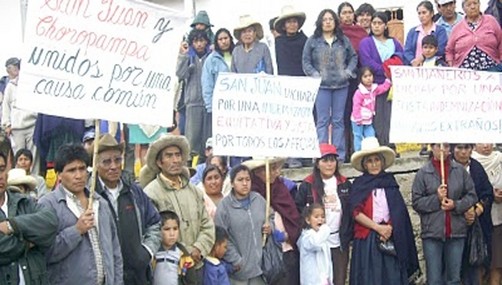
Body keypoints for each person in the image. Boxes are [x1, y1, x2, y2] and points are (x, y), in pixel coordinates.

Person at [38, 144, 123, 285]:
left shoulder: (100, 203)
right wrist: (76, 230)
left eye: (82, 169)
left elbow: (115, 251)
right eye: (71, 170)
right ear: (59, 175)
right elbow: (45, 253)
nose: (78, 175)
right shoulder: (48, 205)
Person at [141, 134, 215, 285]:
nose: (175, 160)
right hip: (167, 270)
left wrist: (198, 249)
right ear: (159, 162)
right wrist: (179, 254)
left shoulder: (194, 191)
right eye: (169, 156)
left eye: (178, 155)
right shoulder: (150, 193)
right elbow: (150, 233)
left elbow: (207, 225)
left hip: (196, 266)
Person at [350, 137, 419, 285]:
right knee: (370, 278)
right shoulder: (359, 185)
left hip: (390, 236)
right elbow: (356, 212)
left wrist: (388, 228)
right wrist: (378, 228)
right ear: (364, 164)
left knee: (391, 277)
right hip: (368, 238)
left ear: (382, 162)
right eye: (370, 161)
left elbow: (398, 212)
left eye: (377, 160)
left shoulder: (390, 182)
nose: (374, 164)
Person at [94, 134, 162, 285]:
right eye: (106, 161)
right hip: (106, 277)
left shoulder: (134, 191)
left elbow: (155, 223)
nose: (113, 166)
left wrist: (146, 252)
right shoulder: (90, 195)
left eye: (117, 160)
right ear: (96, 164)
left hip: (137, 276)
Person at [412, 143, 478, 285]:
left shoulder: (459, 171)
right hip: (432, 234)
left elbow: (472, 196)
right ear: (432, 147)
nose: (443, 150)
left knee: (453, 279)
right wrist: (436, 198)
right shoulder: (423, 173)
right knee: (434, 279)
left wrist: (456, 205)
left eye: (447, 146)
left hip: (456, 232)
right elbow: (417, 203)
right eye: (439, 146)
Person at [302, 9, 358, 161]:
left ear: (335, 22)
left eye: (330, 19)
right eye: (325, 19)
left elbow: (353, 57)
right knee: (322, 120)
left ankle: (339, 155)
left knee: (338, 120)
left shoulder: (343, 40)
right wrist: (315, 75)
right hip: (321, 87)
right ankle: (322, 153)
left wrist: (347, 72)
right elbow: (306, 61)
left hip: (341, 85)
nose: (327, 22)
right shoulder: (313, 40)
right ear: (320, 22)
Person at [296, 143, 352, 285]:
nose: (329, 164)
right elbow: (299, 210)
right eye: (325, 160)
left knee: (339, 279)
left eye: (332, 160)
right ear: (317, 163)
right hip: (316, 242)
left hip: (338, 241)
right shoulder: (307, 185)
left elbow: (350, 211)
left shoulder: (344, 184)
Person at [0, 151, 58, 284]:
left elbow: (50, 222)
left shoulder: (24, 202)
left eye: (1, 169)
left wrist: (12, 225)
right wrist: (28, 242)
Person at [244, 157, 302, 285]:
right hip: (262, 256)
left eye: (277, 168)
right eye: (272, 169)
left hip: (286, 252)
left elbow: (293, 218)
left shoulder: (281, 189)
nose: (277, 173)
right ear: (259, 172)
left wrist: (286, 235)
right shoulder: (251, 193)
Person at [214, 164, 270, 285]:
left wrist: (270, 227)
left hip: (260, 269)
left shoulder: (259, 200)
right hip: (238, 273)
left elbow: (270, 217)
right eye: (240, 180)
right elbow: (221, 237)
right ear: (232, 183)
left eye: (247, 179)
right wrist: (237, 260)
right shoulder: (224, 206)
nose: (245, 183)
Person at [358, 12, 404, 149]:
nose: (376, 26)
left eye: (380, 23)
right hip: (375, 85)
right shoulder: (366, 42)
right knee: (377, 116)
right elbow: (366, 61)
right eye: (374, 23)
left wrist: (393, 68)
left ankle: (390, 145)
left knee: (390, 116)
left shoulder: (394, 42)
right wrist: (384, 70)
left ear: (385, 26)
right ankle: (378, 145)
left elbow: (401, 56)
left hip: (392, 85)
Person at [451, 143, 493, 285]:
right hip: (453, 226)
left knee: (476, 270)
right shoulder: (446, 168)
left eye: (467, 148)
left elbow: (487, 193)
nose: (463, 152)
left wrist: (477, 210)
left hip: (476, 228)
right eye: (459, 148)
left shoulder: (476, 168)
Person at [274, 5, 309, 168]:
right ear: (284, 25)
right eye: (289, 22)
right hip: (285, 88)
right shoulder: (278, 42)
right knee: (289, 124)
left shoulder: (305, 40)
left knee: (305, 122)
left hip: (303, 87)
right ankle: (290, 157)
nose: (292, 25)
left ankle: (305, 156)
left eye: (295, 21)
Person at [177, 29, 211, 163]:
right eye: (196, 41)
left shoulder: (211, 57)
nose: (199, 44)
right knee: (191, 140)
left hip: (208, 103)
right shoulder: (189, 57)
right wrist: (183, 56)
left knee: (206, 140)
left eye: (201, 40)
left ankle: (204, 168)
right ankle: (188, 167)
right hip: (192, 103)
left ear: (206, 42)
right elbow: (180, 74)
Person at [1, 57, 40, 175]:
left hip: (32, 124)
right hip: (16, 127)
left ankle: (35, 182)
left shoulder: (34, 83)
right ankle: (18, 182)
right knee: (19, 157)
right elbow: (6, 107)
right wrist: (6, 124)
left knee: (33, 157)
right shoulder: (11, 85)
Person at [471, 144, 502, 285]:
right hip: (479, 220)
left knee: (497, 260)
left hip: (498, 217)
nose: (486, 145)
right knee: (479, 262)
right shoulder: (469, 163)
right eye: (481, 141)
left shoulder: (499, 158)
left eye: (489, 140)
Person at [446, 0, 502, 71]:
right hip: (465, 71)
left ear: (479, 5)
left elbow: (501, 42)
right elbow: (449, 50)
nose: (473, 7)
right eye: (469, 5)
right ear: (463, 9)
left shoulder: (491, 21)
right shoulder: (457, 28)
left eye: (475, 3)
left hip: (491, 67)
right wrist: (451, 66)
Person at [202, 28, 235, 142]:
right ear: (216, 42)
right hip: (220, 106)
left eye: (226, 38)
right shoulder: (211, 60)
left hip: (237, 104)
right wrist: (210, 107)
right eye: (220, 39)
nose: (223, 41)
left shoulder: (238, 54)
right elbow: (207, 84)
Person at [350, 67, 392, 152]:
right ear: (361, 79)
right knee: (358, 136)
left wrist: (388, 81)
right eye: (365, 76)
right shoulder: (359, 92)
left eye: (370, 75)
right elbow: (356, 106)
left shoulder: (374, 89)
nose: (368, 78)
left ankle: (372, 151)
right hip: (358, 120)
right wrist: (358, 118)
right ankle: (358, 153)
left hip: (368, 120)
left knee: (371, 135)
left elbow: (383, 88)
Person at [297, 203, 333, 285]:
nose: (320, 219)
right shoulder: (307, 237)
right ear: (308, 220)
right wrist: (325, 229)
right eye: (316, 217)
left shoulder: (322, 237)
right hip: (312, 281)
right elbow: (315, 243)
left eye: (322, 217)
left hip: (324, 279)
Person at [153, 210, 192, 285]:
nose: (172, 234)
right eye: (167, 229)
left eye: (175, 229)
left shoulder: (183, 255)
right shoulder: (153, 252)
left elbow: (190, 279)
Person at [404, 1, 448, 66]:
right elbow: (407, 50)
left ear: (432, 13)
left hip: (434, 67)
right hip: (414, 68)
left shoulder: (440, 30)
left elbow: (441, 49)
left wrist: (423, 57)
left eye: (424, 13)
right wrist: (413, 61)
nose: (421, 16)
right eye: (419, 13)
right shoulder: (413, 32)